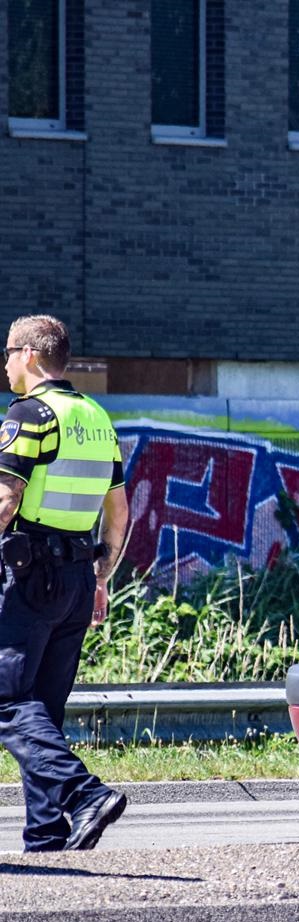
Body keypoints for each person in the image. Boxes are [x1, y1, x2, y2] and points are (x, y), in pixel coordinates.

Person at [0, 315, 129, 852]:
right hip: (77, 579)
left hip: (32, 577)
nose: (5, 363)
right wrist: (100, 578)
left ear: (30, 354)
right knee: (42, 710)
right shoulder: (97, 417)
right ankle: (47, 833)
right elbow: (119, 514)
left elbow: (6, 499)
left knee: (6, 698)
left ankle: (83, 794)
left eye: (8, 352)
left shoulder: (30, 414)